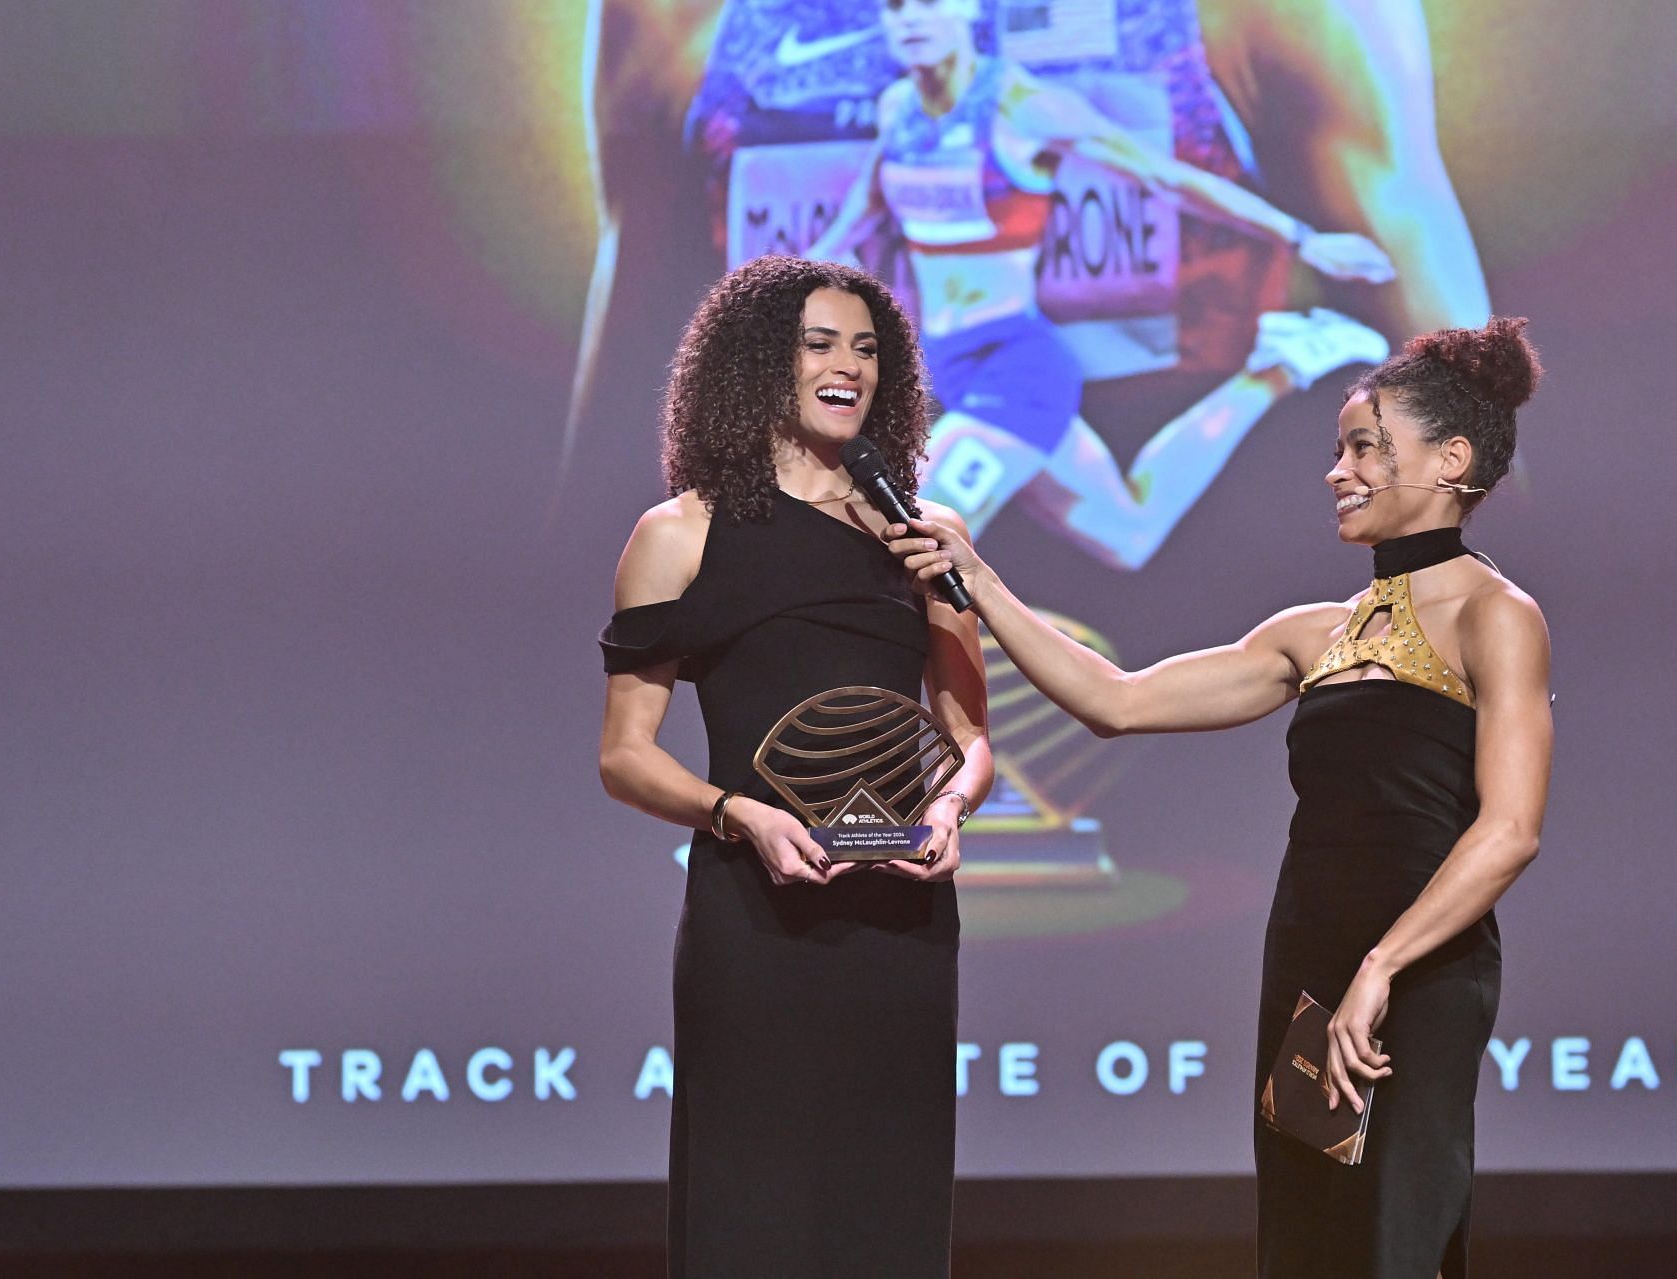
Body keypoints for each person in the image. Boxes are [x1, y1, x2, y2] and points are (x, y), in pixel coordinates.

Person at [883, 317, 1552, 1277]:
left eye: (1366, 447)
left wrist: (1383, 966)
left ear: (1451, 460)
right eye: (1338, 449)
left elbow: (1510, 829)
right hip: (1310, 966)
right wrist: (976, 578)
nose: (1338, 470)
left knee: (1392, 1237)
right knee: (1307, 1237)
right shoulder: (1310, 633)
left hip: (1416, 973)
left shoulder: (1500, 617)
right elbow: (1116, 700)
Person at [597, 255, 992, 1278]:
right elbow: (625, 756)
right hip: (756, 916)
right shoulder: (679, 533)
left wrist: (950, 810)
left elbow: (969, 733)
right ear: (759, 366)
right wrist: (742, 816)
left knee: (887, 1211)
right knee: (754, 1211)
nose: (847, 366)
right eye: (819, 344)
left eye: (866, 348)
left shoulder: (921, 536)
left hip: (900, 915)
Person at [807, 0, 1397, 569]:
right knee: (1127, 531)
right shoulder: (898, 109)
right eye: (894, 5)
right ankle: (1277, 367)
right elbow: (856, 219)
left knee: (914, 534)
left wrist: (1300, 237)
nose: (909, 18)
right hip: (945, 362)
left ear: (968, 8)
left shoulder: (1022, 106)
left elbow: (1164, 177)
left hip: (1014, 367)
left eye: (927, 2)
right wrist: (776, 295)